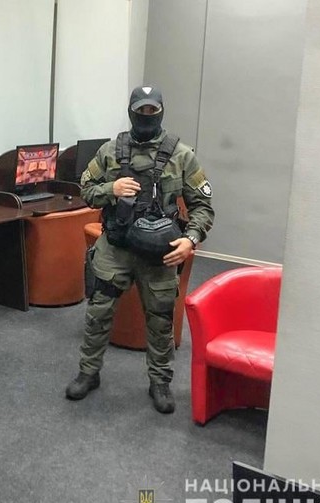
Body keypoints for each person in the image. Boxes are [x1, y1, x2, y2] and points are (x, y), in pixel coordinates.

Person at [65, 86, 215, 413]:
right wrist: (112, 188)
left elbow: (202, 206)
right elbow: (86, 190)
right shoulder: (110, 150)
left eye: (152, 111)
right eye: (141, 111)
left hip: (159, 253)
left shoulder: (181, 155)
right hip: (115, 247)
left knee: (161, 320)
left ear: (160, 111)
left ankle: (160, 381)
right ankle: (89, 372)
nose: (146, 116)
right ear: (131, 112)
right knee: (97, 313)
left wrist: (190, 239)